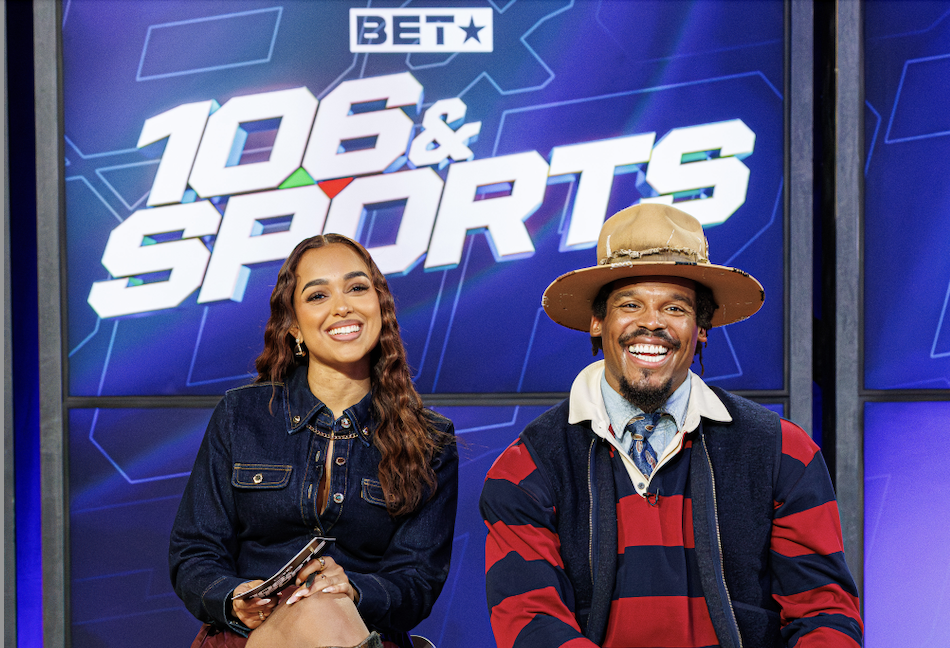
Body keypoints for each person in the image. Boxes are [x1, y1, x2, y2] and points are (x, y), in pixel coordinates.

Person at [480, 204, 863, 648]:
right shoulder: (526, 467)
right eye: (630, 305)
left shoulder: (784, 452)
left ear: (702, 328)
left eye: (675, 307)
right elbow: (530, 619)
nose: (651, 322)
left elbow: (825, 612)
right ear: (597, 322)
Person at [170, 234, 458, 648]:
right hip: (252, 635)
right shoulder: (242, 416)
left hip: (361, 630)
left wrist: (352, 589)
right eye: (318, 295)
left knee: (325, 604)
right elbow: (194, 551)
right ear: (293, 326)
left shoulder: (429, 439)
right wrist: (234, 598)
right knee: (315, 607)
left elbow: (417, 582)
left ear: (380, 307)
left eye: (357, 288)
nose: (342, 306)